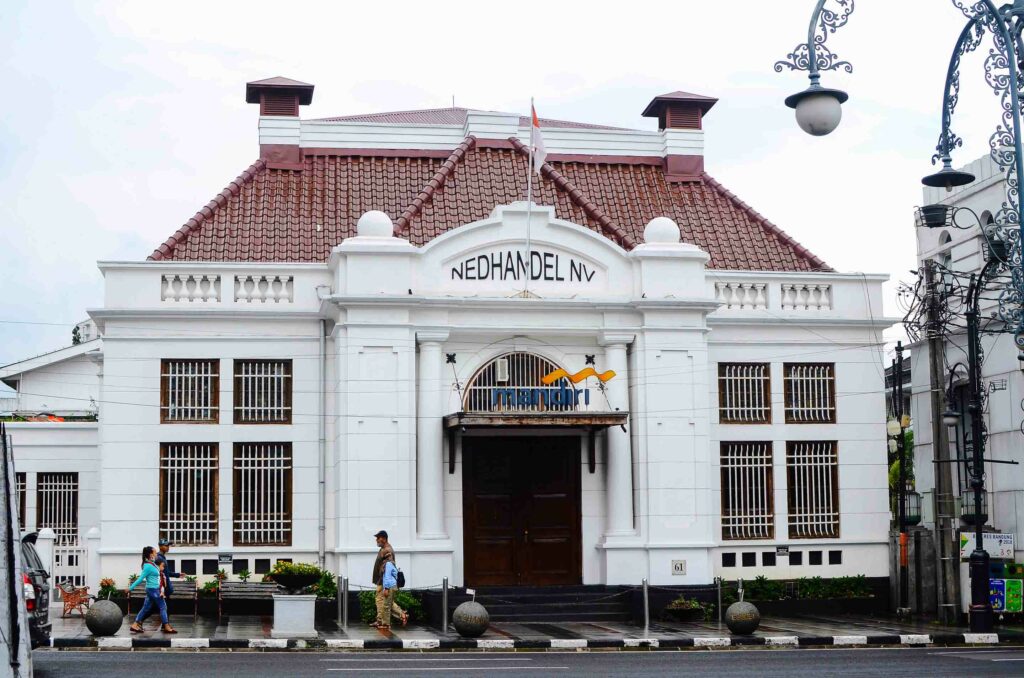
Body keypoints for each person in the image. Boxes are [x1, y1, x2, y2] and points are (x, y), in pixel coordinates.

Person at [128, 546, 177, 634]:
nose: (156, 553)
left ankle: (135, 625)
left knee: (145, 608)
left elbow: (160, 572)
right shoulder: (147, 566)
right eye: (154, 552)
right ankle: (166, 626)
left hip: (152, 590)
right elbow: (140, 579)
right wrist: (130, 588)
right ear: (151, 555)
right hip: (154, 590)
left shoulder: (152, 563)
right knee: (163, 607)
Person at [370, 530, 407, 629]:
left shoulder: (387, 550)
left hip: (384, 581)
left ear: (384, 539)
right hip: (381, 580)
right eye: (377, 538)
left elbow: (388, 568)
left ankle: (384, 621)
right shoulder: (384, 548)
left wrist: (386, 586)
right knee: (383, 601)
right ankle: (382, 620)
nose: (377, 540)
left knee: (382, 601)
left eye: (378, 538)